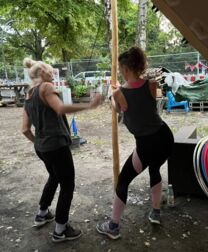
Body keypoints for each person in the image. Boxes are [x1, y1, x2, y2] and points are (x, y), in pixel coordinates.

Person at [96, 46, 174, 239]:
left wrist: (114, 95)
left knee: (123, 181)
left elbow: (119, 110)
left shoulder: (118, 93)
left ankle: (113, 226)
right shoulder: (151, 84)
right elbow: (144, 101)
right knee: (154, 168)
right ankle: (155, 212)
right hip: (165, 138)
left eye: (121, 69)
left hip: (147, 143)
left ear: (126, 69)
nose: (121, 73)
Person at [21, 58, 103, 242]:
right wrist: (89, 106)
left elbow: (25, 129)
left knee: (54, 177)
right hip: (56, 146)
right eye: (51, 71)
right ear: (42, 73)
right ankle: (60, 229)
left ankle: (42, 214)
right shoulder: (46, 87)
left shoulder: (28, 96)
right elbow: (60, 108)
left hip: (42, 148)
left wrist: (38, 142)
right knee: (67, 184)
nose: (53, 74)